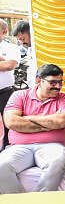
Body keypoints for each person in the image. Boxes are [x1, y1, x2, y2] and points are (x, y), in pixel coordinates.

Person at [0, 64, 65, 193]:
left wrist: (26, 118)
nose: (58, 86)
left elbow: (62, 121)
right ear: (39, 81)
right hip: (19, 147)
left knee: (56, 162)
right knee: (1, 166)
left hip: (52, 145)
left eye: (60, 82)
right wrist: (50, 123)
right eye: (53, 82)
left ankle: (42, 200)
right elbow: (11, 122)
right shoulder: (19, 95)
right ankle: (18, 202)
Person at [0, 19, 21, 149]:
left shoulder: (12, 48)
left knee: (10, 123)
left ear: (4, 32)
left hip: (5, 93)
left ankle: (8, 149)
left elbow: (9, 65)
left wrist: (4, 63)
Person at [12, 20, 36, 89]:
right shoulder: (27, 49)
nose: (22, 42)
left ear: (30, 33)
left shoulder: (39, 48)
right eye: (19, 40)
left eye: (23, 38)